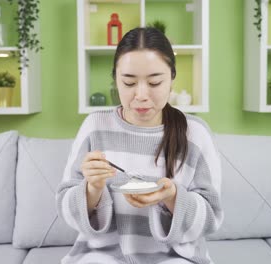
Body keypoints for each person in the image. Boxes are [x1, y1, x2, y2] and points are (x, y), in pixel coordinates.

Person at [56, 27, 223, 264]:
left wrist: (173, 197)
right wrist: (92, 189)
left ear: (172, 79)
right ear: (116, 79)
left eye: (155, 82)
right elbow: (65, 207)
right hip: (102, 257)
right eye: (129, 82)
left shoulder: (195, 133)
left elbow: (211, 218)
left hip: (175, 258)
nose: (141, 95)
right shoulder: (95, 126)